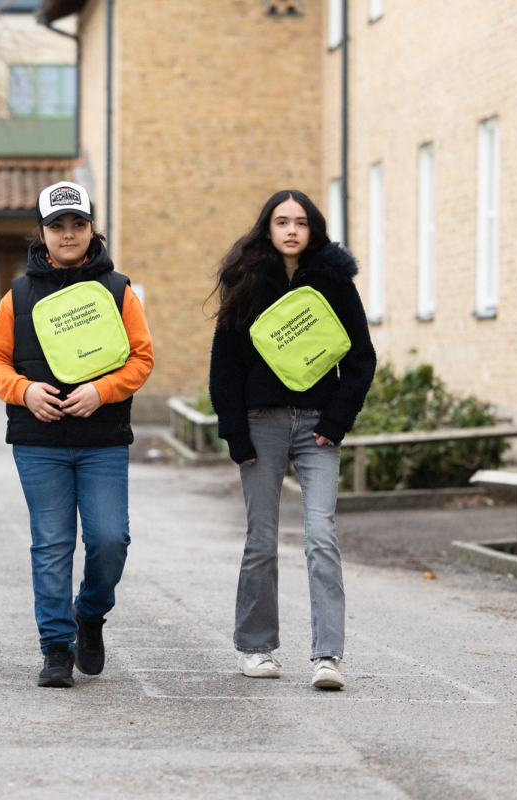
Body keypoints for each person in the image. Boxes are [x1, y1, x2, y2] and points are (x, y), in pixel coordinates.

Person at [0, 181, 154, 688]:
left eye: (77, 224)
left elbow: (141, 358)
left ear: (91, 228)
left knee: (109, 539)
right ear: (42, 233)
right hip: (40, 443)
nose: (68, 233)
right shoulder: (18, 293)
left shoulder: (119, 289)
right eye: (57, 226)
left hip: (103, 439)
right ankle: (55, 648)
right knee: (52, 545)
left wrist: (102, 391)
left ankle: (90, 614)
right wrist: (24, 390)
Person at [208, 190, 376, 689]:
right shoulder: (245, 282)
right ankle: (255, 648)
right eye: (282, 221)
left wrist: (337, 420)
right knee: (261, 539)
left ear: (313, 229)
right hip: (260, 423)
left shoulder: (334, 282)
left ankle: (328, 658)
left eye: (301, 222)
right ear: (267, 227)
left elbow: (361, 358)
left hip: (318, 426)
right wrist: (235, 433)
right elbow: (225, 366)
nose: (291, 230)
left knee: (322, 537)